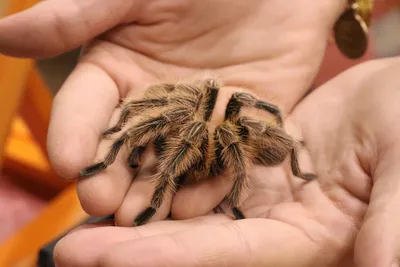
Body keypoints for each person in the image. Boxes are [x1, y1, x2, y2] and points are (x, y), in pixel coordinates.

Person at [1, 0, 399, 266]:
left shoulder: (231, 128)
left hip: (314, 85)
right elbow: (176, 103)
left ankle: (168, 193)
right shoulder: (190, 103)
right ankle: (134, 173)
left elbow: (253, 118)